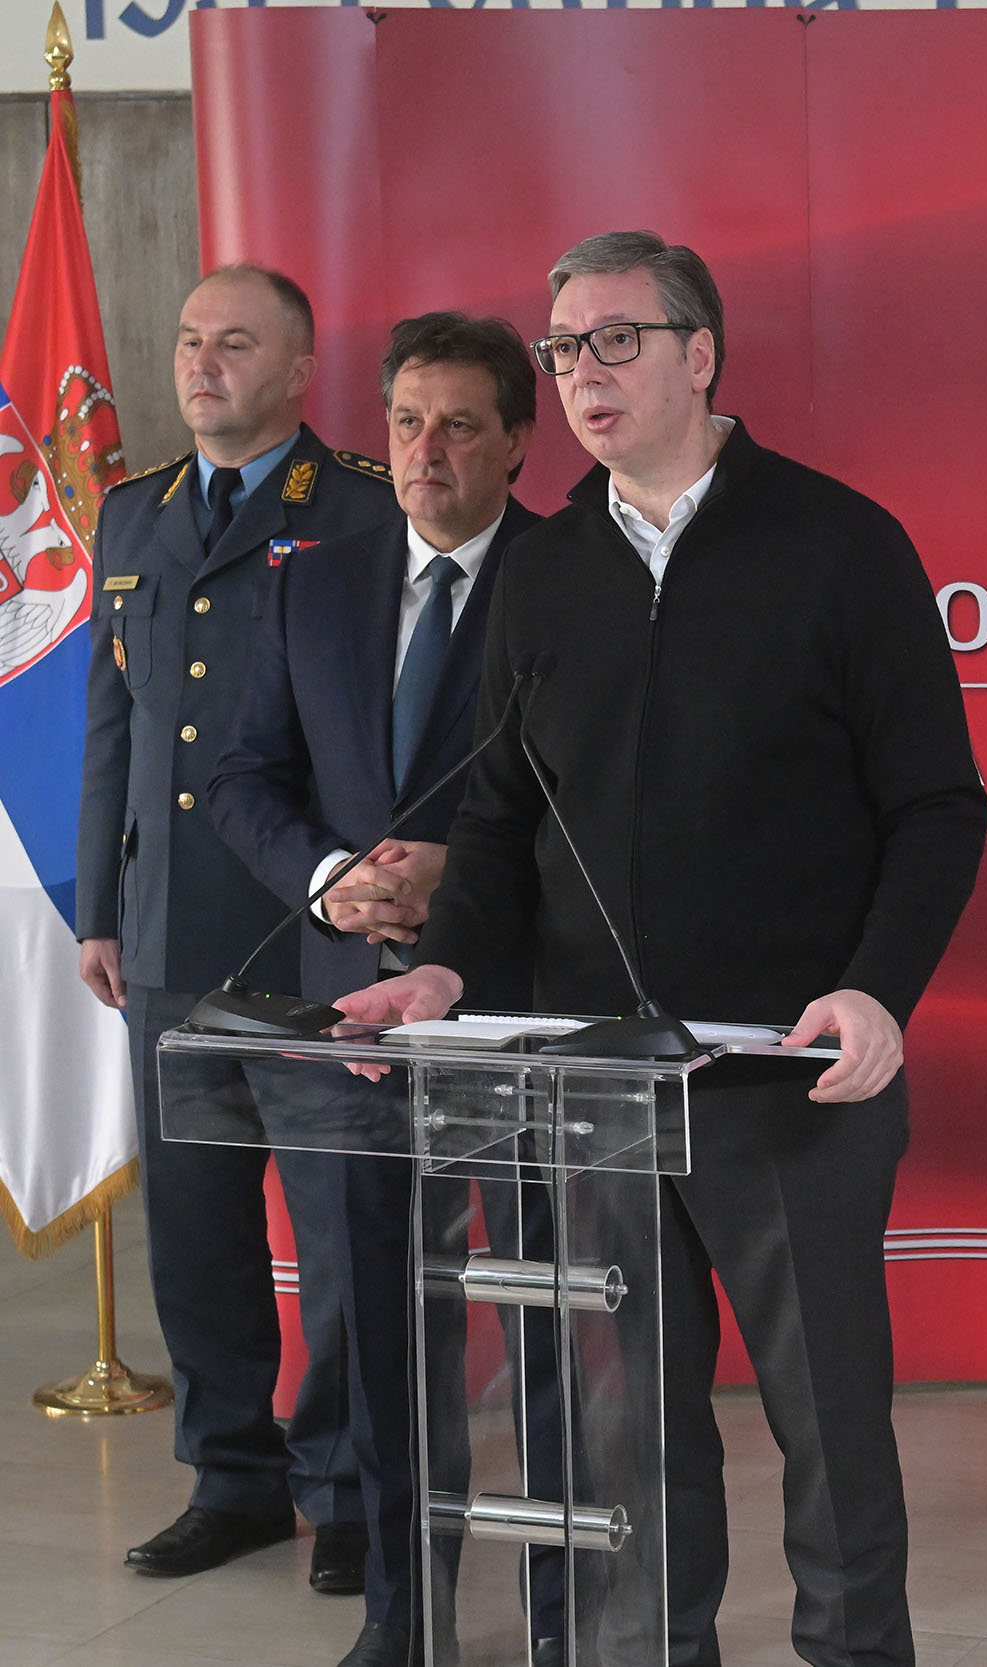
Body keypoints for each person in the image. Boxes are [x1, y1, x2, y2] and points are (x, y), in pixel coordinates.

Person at [333, 231, 987, 1667]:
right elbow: (499, 813)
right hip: (598, 1085)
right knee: (626, 1432)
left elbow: (939, 805)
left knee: (827, 1421)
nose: (584, 372)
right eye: (565, 347)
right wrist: (444, 969)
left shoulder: (839, 543)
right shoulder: (545, 570)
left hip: (788, 1076)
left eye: (616, 340)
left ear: (701, 354)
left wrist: (877, 987)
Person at [208, 311, 546, 1667]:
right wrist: (330, 874)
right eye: (407, 422)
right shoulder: (317, 581)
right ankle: (405, 1617)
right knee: (387, 1323)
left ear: (518, 444)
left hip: (521, 1009)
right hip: (352, 1012)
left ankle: (570, 1616)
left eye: (460, 424)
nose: (426, 450)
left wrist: (460, 878)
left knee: (545, 1319)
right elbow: (242, 777)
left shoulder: (566, 583)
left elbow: (609, 797)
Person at [76, 263, 398, 1591]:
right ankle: (233, 1478)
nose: (201, 364)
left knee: (340, 1234)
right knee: (196, 1230)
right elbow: (113, 724)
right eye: (189, 340)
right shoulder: (133, 512)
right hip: (167, 935)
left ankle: (352, 1488)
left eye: (235, 344)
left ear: (300, 369)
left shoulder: (364, 510)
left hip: (313, 935)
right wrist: (101, 907)